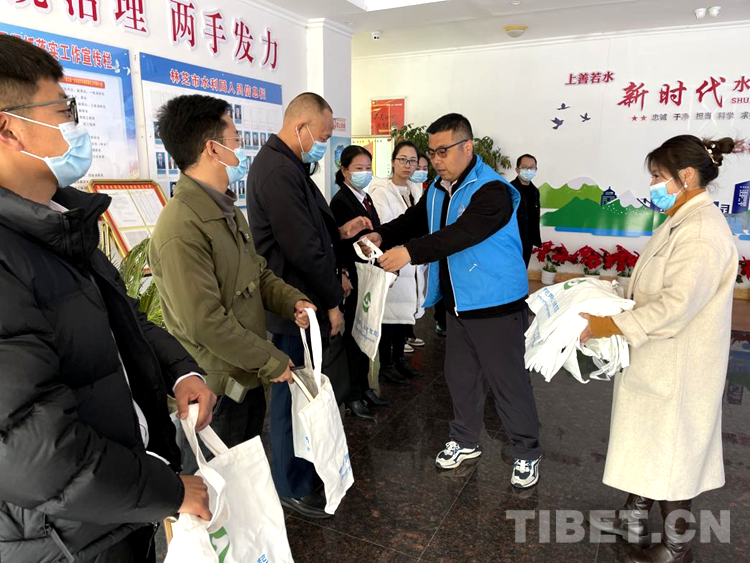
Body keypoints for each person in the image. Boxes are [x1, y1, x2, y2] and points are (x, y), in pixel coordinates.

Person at [0, 35, 216, 562]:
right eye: (63, 111)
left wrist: (180, 370)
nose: (76, 126)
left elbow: (122, 321)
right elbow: (36, 453)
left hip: (117, 507)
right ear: (8, 130)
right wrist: (166, 490)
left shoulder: (58, 222)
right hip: (66, 538)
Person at [361, 113, 542, 488]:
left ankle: (526, 451)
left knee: (508, 382)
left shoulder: (492, 191)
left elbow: (462, 234)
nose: (435, 159)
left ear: (468, 147)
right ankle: (465, 440)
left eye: (443, 151)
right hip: (458, 304)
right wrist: (381, 235)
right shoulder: (440, 187)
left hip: (495, 304)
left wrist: (409, 253)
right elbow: (415, 220)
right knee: (461, 377)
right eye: (432, 152)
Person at [582, 135, 738, 563]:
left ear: (686, 176)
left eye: (657, 176)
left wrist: (610, 324)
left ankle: (675, 547)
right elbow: (659, 285)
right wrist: (614, 292)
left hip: (678, 364)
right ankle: (632, 517)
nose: (652, 185)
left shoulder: (701, 232)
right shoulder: (683, 219)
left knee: (672, 456)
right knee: (652, 443)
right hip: (660, 357)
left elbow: (675, 306)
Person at [148, 95, 315, 488]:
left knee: (241, 484)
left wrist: (291, 300)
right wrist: (271, 359)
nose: (241, 150)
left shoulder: (226, 210)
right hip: (215, 390)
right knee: (214, 492)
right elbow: (204, 322)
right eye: (236, 140)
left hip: (245, 373)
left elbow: (257, 273)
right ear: (213, 149)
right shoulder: (181, 228)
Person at [246, 92, 371, 517]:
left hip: (302, 298)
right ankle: (290, 484)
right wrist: (332, 300)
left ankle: (302, 470)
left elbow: (312, 232)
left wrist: (340, 235)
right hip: (292, 306)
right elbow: (301, 248)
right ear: (300, 128)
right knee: (289, 396)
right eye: (322, 136)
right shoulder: (277, 170)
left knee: (302, 394)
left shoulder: (290, 165)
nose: (323, 145)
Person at [330, 145, 388, 420]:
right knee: (355, 337)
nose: (365, 173)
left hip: (369, 273)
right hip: (354, 276)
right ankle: (352, 395)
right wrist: (341, 273)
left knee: (367, 333)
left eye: (368, 168)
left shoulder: (366, 198)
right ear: (344, 171)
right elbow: (338, 243)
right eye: (358, 168)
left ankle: (365, 387)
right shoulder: (340, 201)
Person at [369, 141, 426, 384]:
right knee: (388, 316)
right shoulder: (381, 190)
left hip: (411, 261)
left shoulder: (415, 189)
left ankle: (400, 358)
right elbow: (386, 224)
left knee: (403, 314)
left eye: (412, 161)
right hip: (392, 258)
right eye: (403, 159)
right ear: (393, 162)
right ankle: (386, 364)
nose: (407, 165)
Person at [405, 152, 430, 349]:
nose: (420, 171)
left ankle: (409, 333)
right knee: (404, 297)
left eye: (424, 168)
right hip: (405, 251)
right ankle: (401, 339)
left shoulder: (422, 189)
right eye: (417, 166)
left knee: (414, 294)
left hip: (418, 250)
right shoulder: (400, 189)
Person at [511, 153, 542, 267]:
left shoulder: (535, 191)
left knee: (523, 268)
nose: (529, 170)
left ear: (536, 170)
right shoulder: (509, 189)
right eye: (524, 167)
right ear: (517, 170)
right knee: (511, 269)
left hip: (528, 239)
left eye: (532, 167)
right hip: (513, 239)